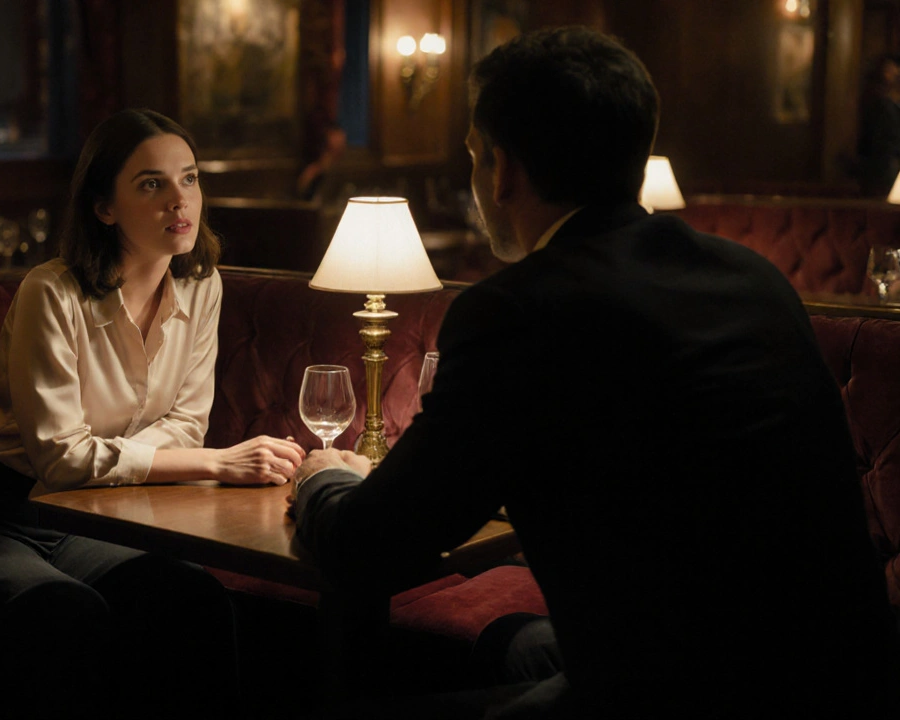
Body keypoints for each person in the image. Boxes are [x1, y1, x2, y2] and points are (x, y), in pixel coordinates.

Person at [289, 27, 900, 720]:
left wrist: (324, 480)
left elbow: (368, 550)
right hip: (847, 681)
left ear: (500, 170)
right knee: (519, 645)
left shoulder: (519, 311)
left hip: (675, 698)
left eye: (471, 157)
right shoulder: (752, 279)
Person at [0, 108, 306, 719]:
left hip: (95, 518)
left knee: (191, 597)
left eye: (190, 178)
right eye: (152, 184)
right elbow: (61, 457)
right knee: (64, 614)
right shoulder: (53, 292)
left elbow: (184, 423)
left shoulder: (203, 285)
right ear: (104, 208)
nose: (180, 200)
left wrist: (172, 458)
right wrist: (217, 464)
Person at [858, 55, 900, 197]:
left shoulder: (891, 104)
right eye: (887, 71)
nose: (889, 75)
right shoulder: (881, 104)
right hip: (883, 166)